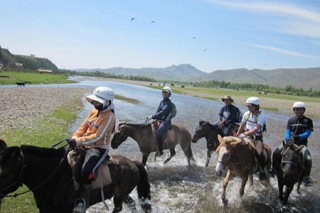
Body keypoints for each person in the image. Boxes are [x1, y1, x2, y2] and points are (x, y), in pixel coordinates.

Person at [68, 86, 116, 212]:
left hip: (98, 148)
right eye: (94, 101)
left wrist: (79, 141)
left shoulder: (109, 117)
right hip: (84, 143)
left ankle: (84, 200)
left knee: (86, 171)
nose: (94, 103)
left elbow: (98, 137)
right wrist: (75, 137)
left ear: (107, 102)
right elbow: (83, 126)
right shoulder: (93, 112)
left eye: (97, 102)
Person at [270, 101, 313, 186]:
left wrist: (299, 136)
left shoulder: (308, 121)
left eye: (300, 110)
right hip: (290, 143)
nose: (298, 111)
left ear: (303, 110)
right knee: (276, 152)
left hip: (301, 144)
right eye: (296, 109)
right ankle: (274, 170)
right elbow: (287, 131)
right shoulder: (291, 120)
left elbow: (308, 133)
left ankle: (306, 176)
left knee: (307, 158)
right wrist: (287, 139)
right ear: (294, 110)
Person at [236, 97, 267, 181]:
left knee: (259, 151)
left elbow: (255, 129)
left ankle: (261, 170)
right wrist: (238, 135)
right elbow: (242, 125)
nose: (248, 108)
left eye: (250, 106)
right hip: (245, 134)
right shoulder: (247, 114)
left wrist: (244, 134)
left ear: (256, 106)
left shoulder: (261, 116)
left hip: (257, 136)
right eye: (248, 106)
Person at [147, 86, 173, 156]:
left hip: (165, 121)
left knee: (159, 133)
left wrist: (153, 116)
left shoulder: (169, 104)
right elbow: (158, 111)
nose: (164, 94)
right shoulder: (162, 102)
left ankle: (160, 151)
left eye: (166, 93)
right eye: (163, 92)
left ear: (169, 94)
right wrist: (154, 117)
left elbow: (163, 112)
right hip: (159, 119)